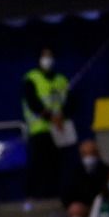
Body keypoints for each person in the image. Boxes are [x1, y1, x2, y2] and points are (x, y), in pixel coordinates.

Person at [23, 49, 71, 199]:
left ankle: (56, 195)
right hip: (39, 129)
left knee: (58, 164)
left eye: (50, 56)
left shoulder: (61, 80)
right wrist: (51, 117)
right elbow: (33, 103)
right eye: (44, 56)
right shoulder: (31, 78)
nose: (47, 59)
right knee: (39, 164)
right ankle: (34, 197)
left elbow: (70, 102)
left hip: (59, 129)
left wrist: (63, 115)